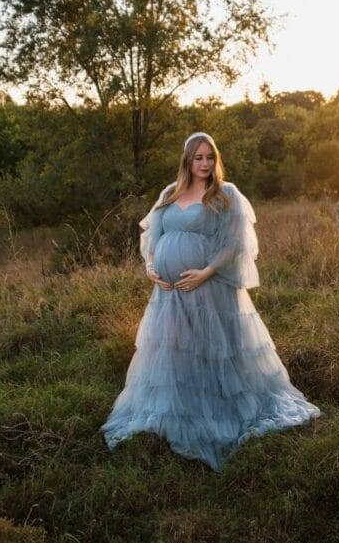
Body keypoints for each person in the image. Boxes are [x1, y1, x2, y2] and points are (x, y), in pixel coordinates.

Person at [100, 131, 321, 471]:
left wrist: (205, 272)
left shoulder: (225, 194)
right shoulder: (169, 194)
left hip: (209, 288)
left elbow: (235, 243)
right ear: (187, 160)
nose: (204, 164)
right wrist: (150, 268)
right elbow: (152, 237)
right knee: (177, 350)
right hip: (170, 293)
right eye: (198, 158)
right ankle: (180, 408)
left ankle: (220, 411)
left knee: (212, 350)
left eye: (210, 157)